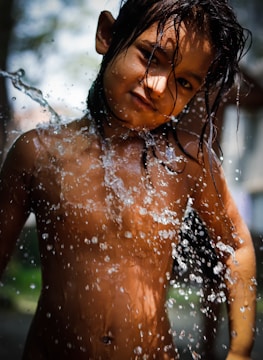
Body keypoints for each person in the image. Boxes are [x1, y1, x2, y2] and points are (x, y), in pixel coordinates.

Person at [0, 0, 256, 359]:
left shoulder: (188, 162)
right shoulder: (39, 153)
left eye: (183, 81)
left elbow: (236, 246)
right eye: (151, 56)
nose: (157, 86)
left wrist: (240, 351)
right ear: (108, 35)